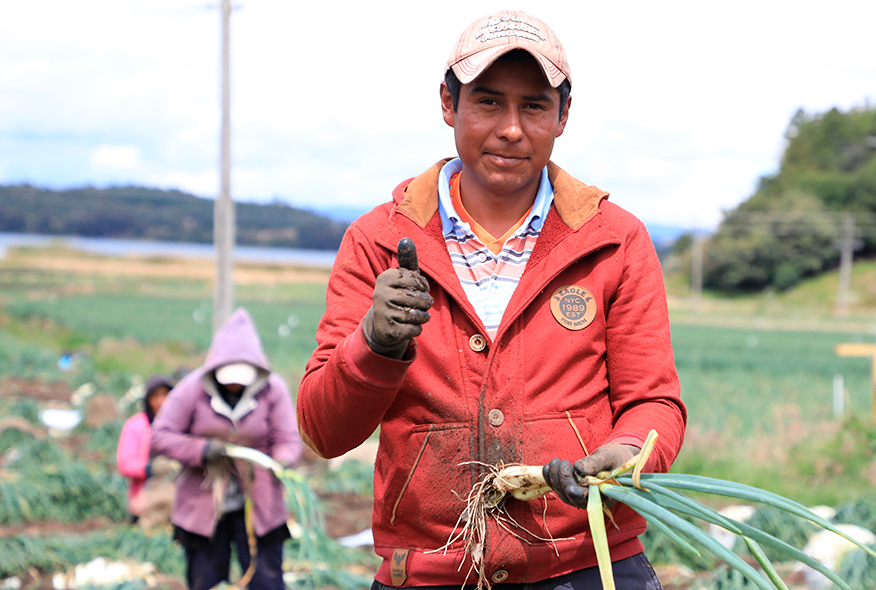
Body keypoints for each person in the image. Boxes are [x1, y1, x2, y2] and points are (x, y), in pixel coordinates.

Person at [297, 9, 686, 589]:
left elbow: (654, 402)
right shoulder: (377, 241)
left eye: (534, 105)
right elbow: (324, 431)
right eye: (487, 101)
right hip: (432, 572)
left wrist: (630, 452)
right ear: (448, 104)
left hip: (587, 564)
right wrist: (374, 345)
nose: (511, 128)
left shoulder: (613, 241)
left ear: (563, 116)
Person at [152, 308, 301, 590]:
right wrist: (201, 449)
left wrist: (280, 461)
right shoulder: (192, 388)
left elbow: (288, 440)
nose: (234, 383)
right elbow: (160, 435)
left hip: (259, 503)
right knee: (205, 580)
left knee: (265, 580)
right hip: (202, 503)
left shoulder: (273, 389)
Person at [116, 374, 172, 521]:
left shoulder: (180, 424)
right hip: (145, 498)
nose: (161, 401)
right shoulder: (135, 426)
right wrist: (149, 469)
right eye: (155, 396)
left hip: (175, 501)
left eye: (165, 395)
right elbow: (124, 464)